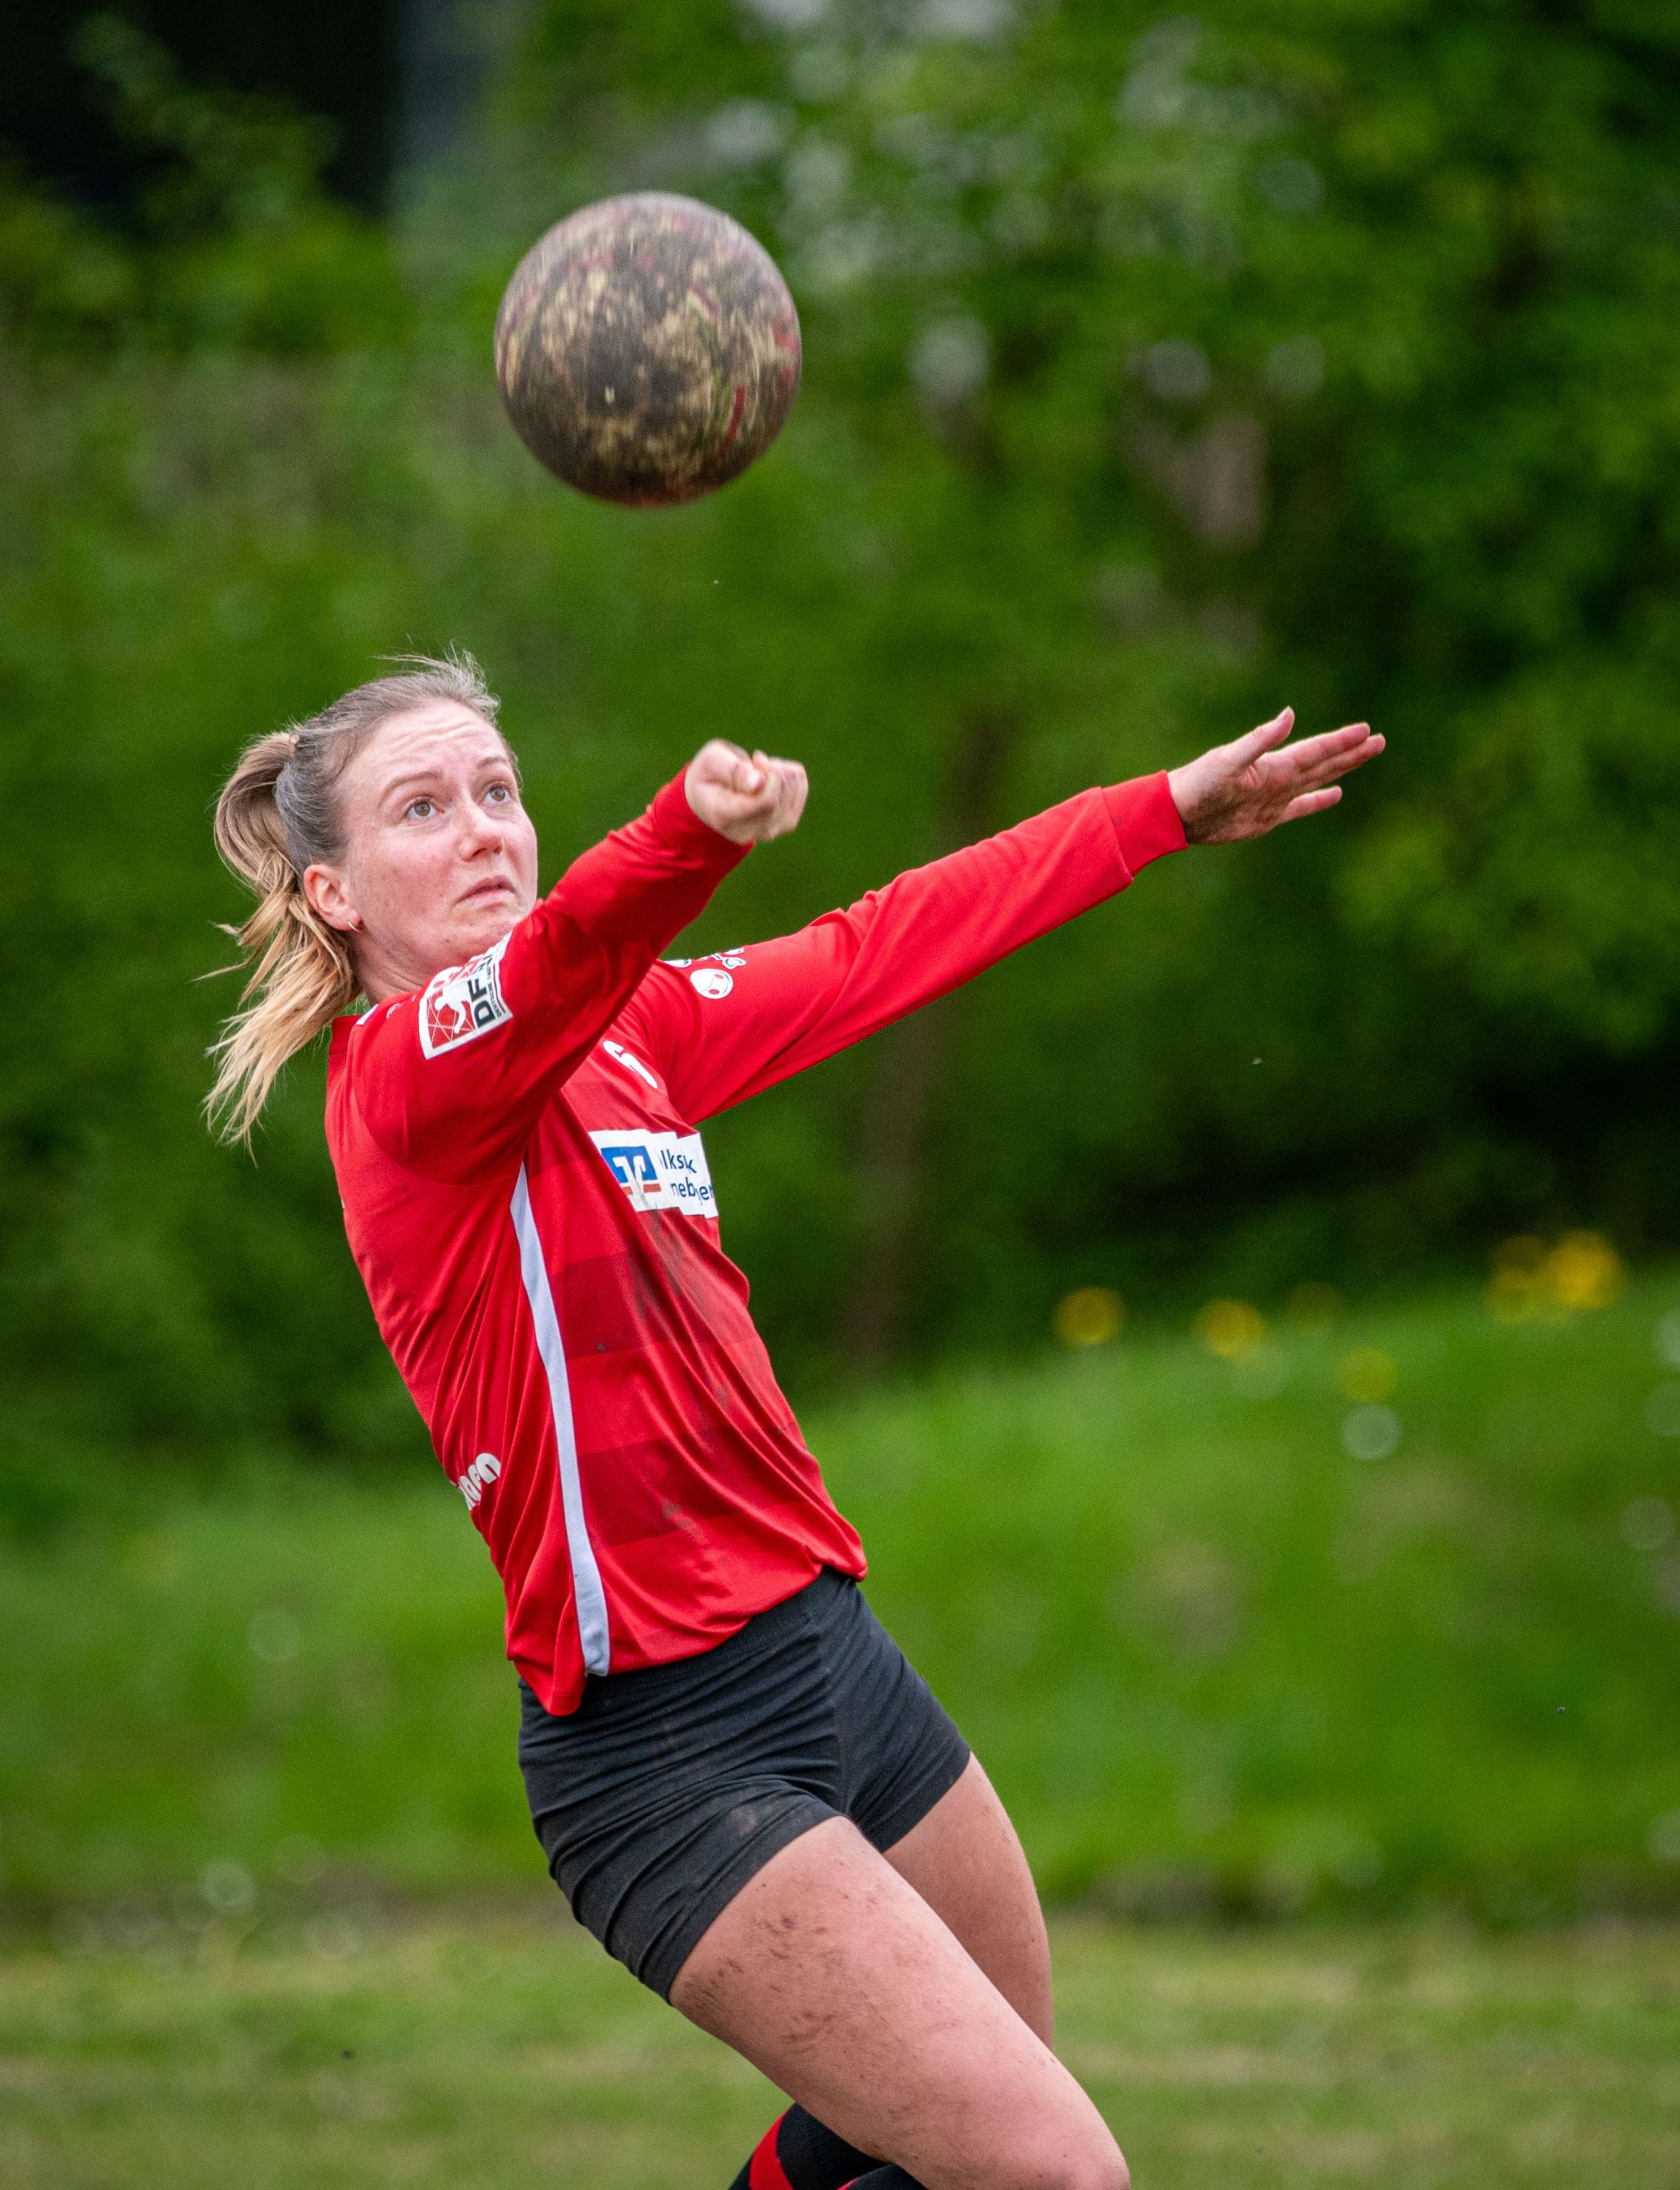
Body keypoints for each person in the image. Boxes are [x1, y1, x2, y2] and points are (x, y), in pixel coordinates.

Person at [208, 653, 1382, 2190]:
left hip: (831, 1657)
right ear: (333, 896)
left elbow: (881, 943)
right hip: (659, 1747)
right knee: (1061, 2174)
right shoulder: (399, 1085)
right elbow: (564, 954)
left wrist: (1161, 809)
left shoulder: (635, 1034)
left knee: (961, 2143)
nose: (485, 826)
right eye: (423, 809)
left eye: (497, 789)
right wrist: (688, 831)